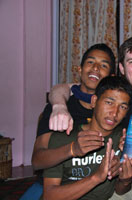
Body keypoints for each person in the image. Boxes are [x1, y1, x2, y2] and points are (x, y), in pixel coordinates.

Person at [21, 43, 116, 200]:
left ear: (112, 77)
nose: (96, 68)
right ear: (79, 70)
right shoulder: (60, 108)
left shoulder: (114, 111)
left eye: (103, 65)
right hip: (54, 185)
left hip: (98, 188)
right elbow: (37, 161)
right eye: (90, 62)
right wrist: (72, 149)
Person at [42, 76, 132, 199]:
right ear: (94, 101)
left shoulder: (122, 139)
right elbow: (49, 196)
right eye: (109, 102)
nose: (114, 113)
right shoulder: (64, 136)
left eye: (122, 107)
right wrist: (96, 178)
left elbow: (119, 191)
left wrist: (125, 180)